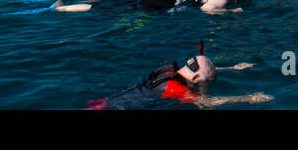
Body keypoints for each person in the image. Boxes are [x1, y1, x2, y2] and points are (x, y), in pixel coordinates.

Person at [86, 52, 270, 109]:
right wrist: (248, 98)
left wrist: (232, 67)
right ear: (197, 78)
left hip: (104, 100)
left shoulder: (169, 68)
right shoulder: (176, 90)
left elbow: (199, 69)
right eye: (208, 80)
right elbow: (207, 101)